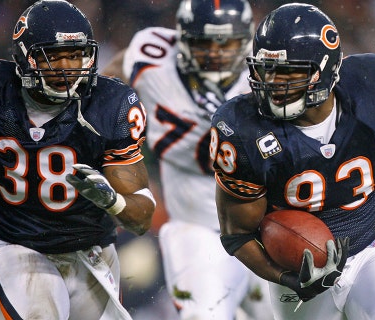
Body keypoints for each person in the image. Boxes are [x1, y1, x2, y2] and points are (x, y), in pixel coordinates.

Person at [210, 3, 375, 319]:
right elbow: (237, 235)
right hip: (298, 265)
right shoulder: (242, 128)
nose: (274, 84)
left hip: (372, 247)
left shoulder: (373, 84)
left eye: (290, 72)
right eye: (267, 71)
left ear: (326, 69)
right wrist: (289, 278)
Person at [0, 0, 156, 319]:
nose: (67, 67)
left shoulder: (109, 104)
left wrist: (112, 200)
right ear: (25, 57)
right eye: (54, 56)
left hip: (92, 251)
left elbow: (142, 216)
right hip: (21, 246)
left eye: (76, 55)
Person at [103, 0, 273, 319]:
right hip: (197, 227)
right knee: (203, 314)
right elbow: (101, 96)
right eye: (203, 41)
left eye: (227, 42)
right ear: (180, 38)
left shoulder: (272, 72)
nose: (215, 52)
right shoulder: (151, 58)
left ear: (248, 37)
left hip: (272, 224)